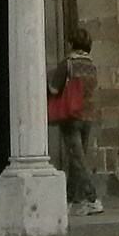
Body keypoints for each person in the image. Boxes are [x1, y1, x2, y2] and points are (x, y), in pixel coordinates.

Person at [48, 26, 102, 215]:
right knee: (76, 159)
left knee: (78, 160)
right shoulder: (91, 65)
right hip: (87, 115)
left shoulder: (68, 63)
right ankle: (69, 200)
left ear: (71, 43)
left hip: (71, 116)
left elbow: (55, 89)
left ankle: (92, 199)